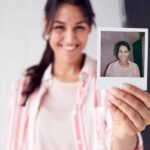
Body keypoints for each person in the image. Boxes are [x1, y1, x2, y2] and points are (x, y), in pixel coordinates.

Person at [5, 0, 150, 149]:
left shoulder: (110, 81)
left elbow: (122, 141)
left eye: (79, 27)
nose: (70, 38)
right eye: (59, 27)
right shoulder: (23, 84)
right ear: (46, 26)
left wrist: (123, 136)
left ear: (89, 28)